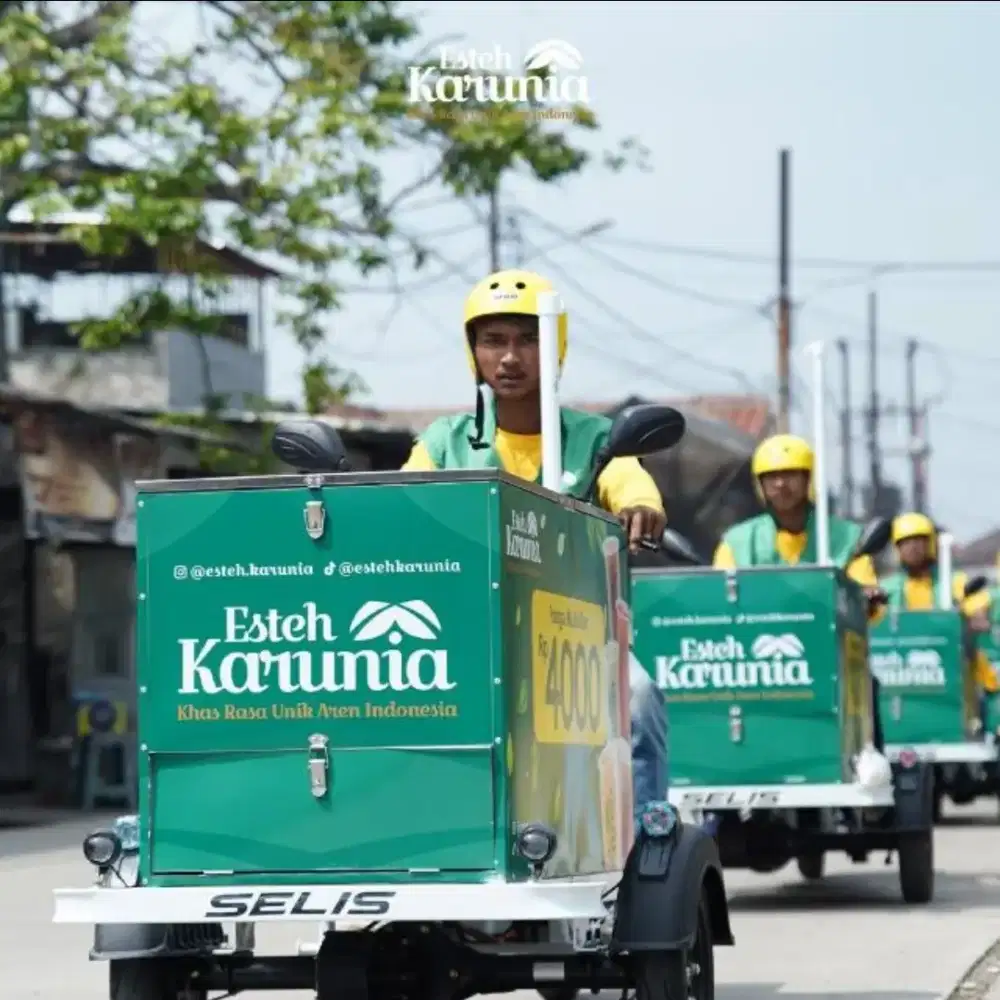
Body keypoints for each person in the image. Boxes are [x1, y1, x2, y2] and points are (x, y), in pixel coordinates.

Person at [401, 268, 670, 824]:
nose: (510, 357)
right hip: (463, 644)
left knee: (639, 699)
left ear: (556, 346)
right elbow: (401, 507)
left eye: (528, 339)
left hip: (579, 644)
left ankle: (648, 845)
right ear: (472, 351)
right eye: (493, 340)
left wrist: (641, 506)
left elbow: (630, 481)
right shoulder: (441, 442)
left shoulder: (598, 437)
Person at [712, 433, 887, 751]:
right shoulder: (736, 540)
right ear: (759, 484)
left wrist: (868, 597)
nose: (781, 484)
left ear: (809, 479)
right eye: (772, 477)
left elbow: (866, 592)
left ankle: (868, 769)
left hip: (829, 659)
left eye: (791, 474)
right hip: (757, 664)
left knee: (868, 685)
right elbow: (717, 598)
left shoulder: (847, 537)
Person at [881, 512, 998, 724]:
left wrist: (970, 619)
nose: (913, 548)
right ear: (897, 549)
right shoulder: (886, 589)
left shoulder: (956, 582)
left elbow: (978, 614)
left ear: (932, 544)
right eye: (905, 542)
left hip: (953, 668)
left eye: (919, 541)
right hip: (902, 672)